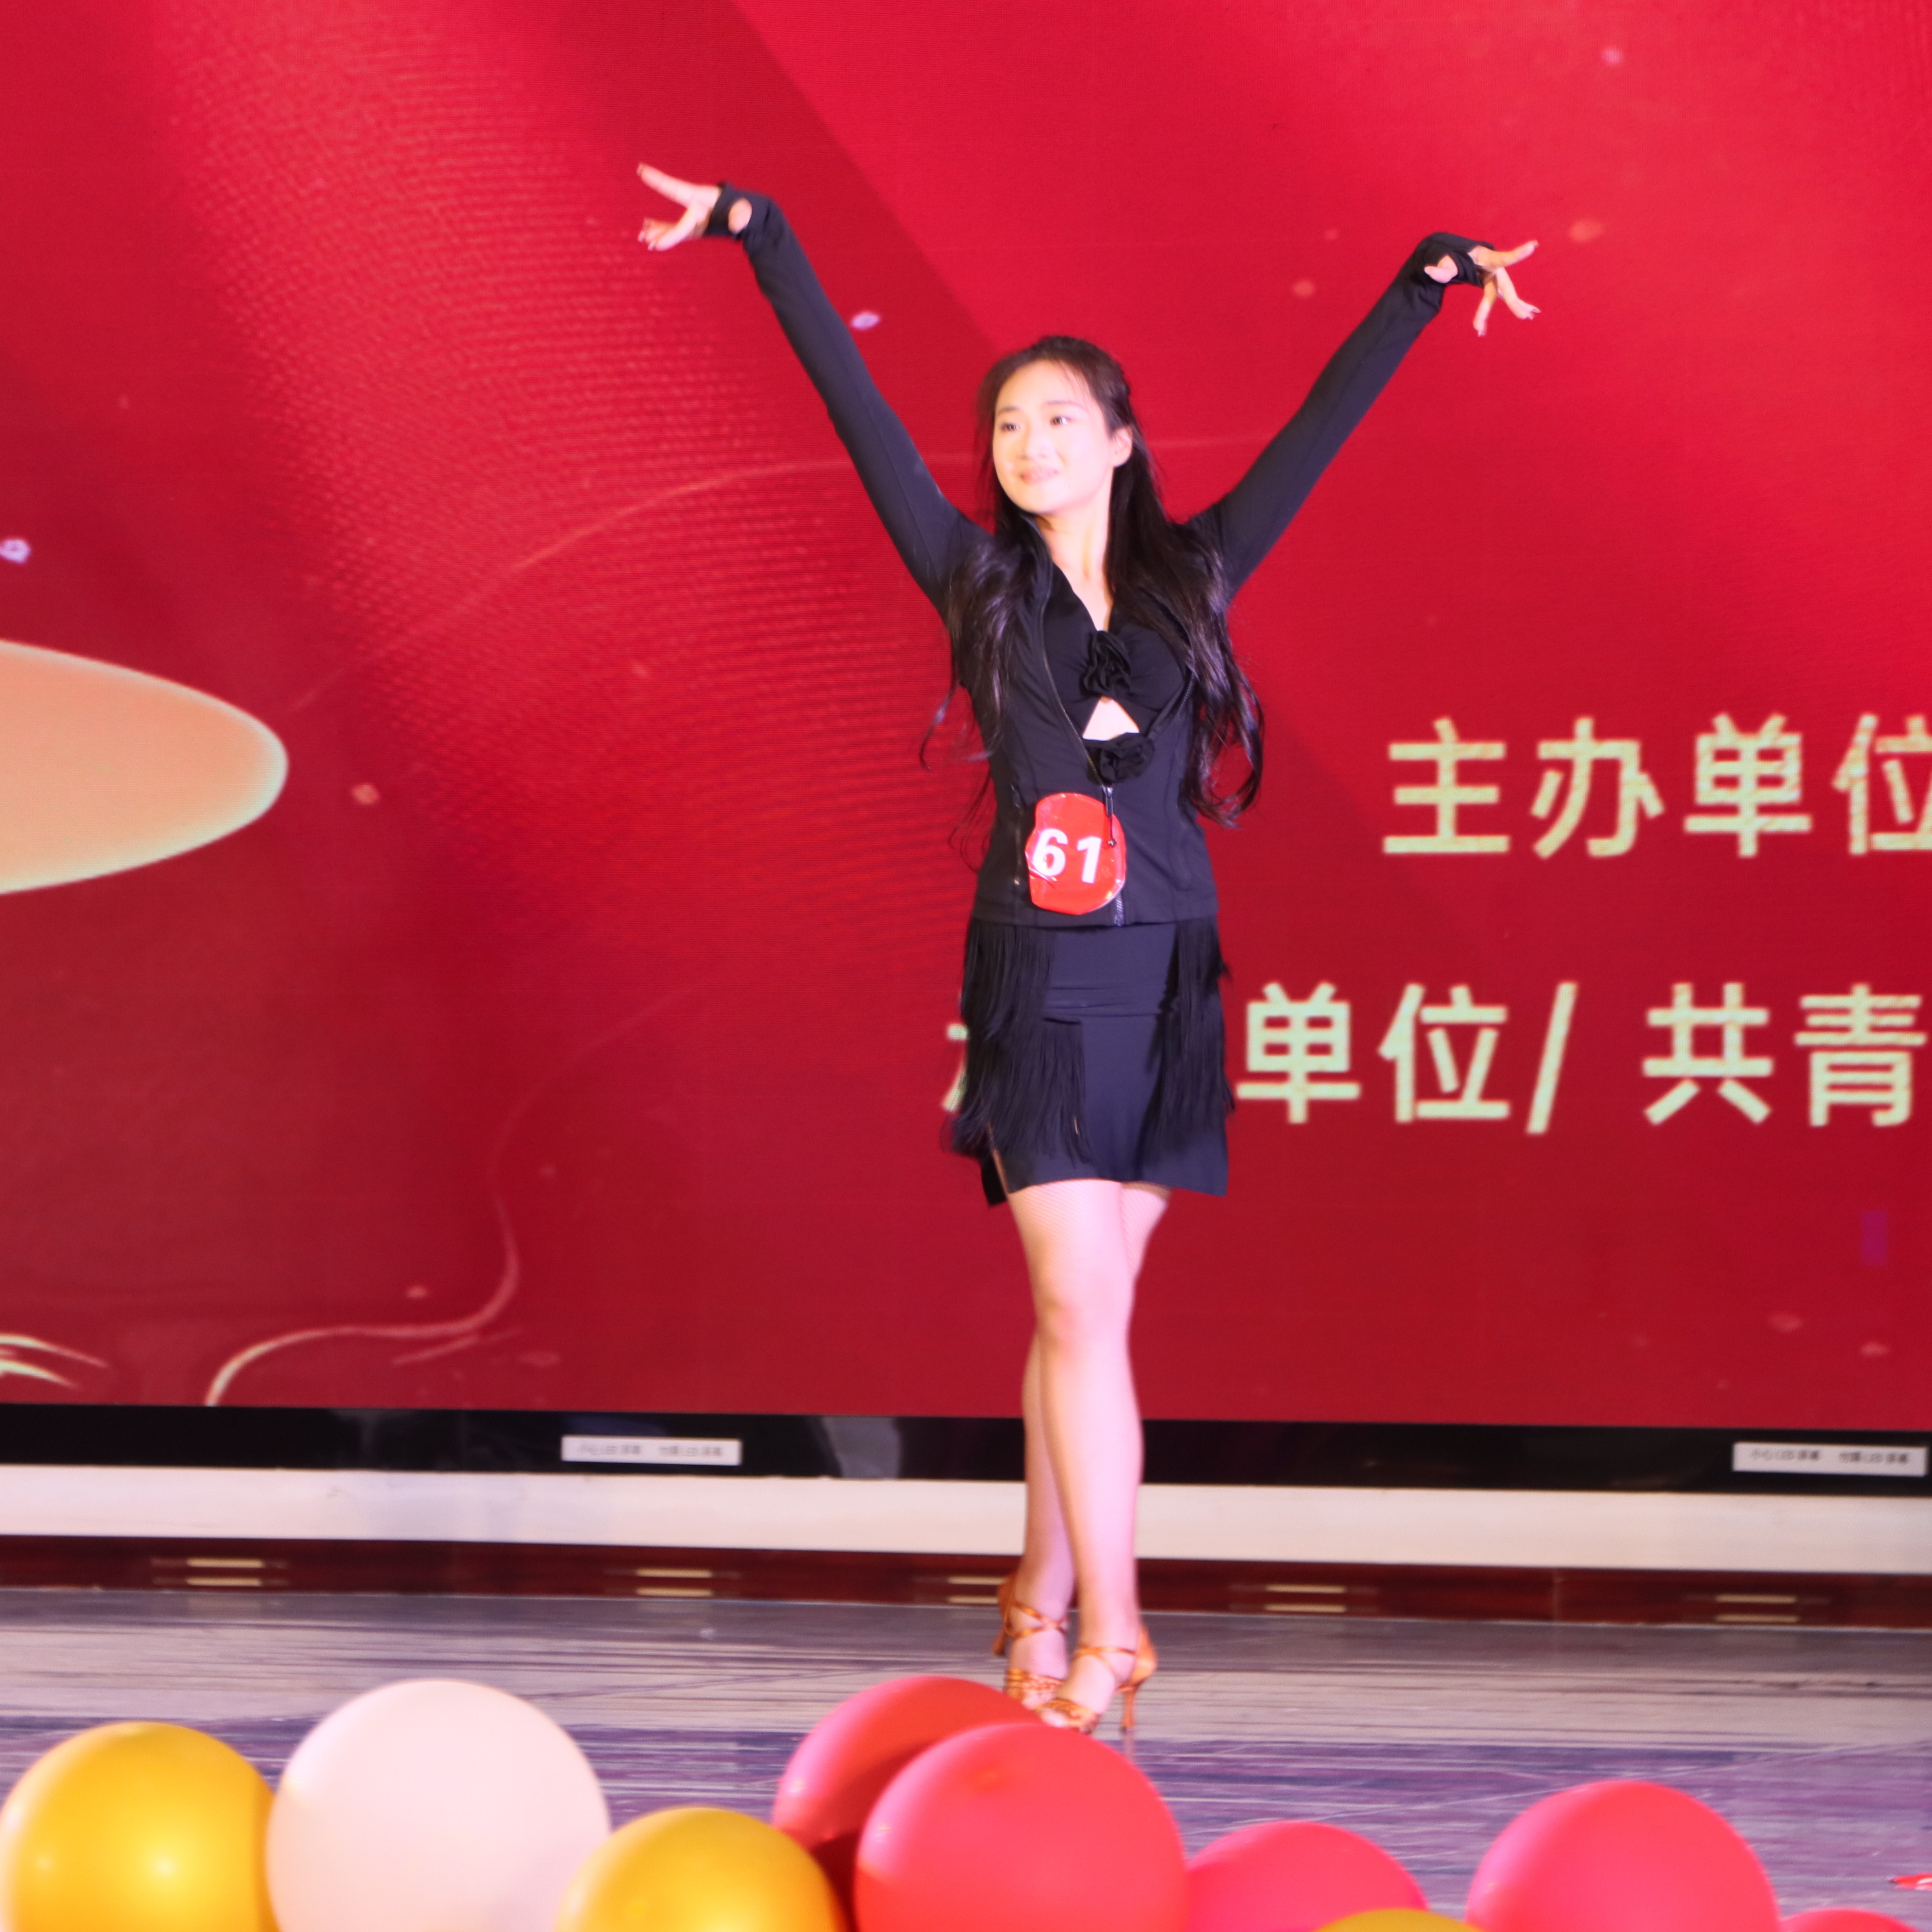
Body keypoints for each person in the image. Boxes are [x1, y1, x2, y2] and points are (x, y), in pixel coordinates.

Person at [638, 164, 1535, 1734]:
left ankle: (1035, 1605)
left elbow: (1318, 431)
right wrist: (759, 232)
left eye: (1060, 418)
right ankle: (1117, 1634)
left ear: (1121, 441)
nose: (1030, 442)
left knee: (1091, 1318)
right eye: (1009, 424)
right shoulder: (975, 583)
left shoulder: (1199, 573)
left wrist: (1426, 280)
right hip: (1040, 980)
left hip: (1170, 978)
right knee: (1074, 1308)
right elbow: (853, 404)